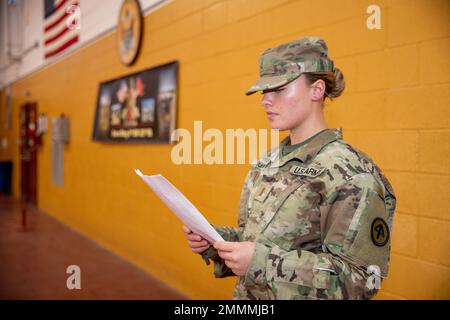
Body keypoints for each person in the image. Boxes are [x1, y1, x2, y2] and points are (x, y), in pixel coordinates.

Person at [183, 36, 396, 300]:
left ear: (317, 90)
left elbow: (361, 280)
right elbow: (257, 240)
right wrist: (216, 241)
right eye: (264, 91)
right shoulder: (269, 162)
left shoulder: (351, 173)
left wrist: (261, 262)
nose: (265, 100)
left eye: (279, 89)